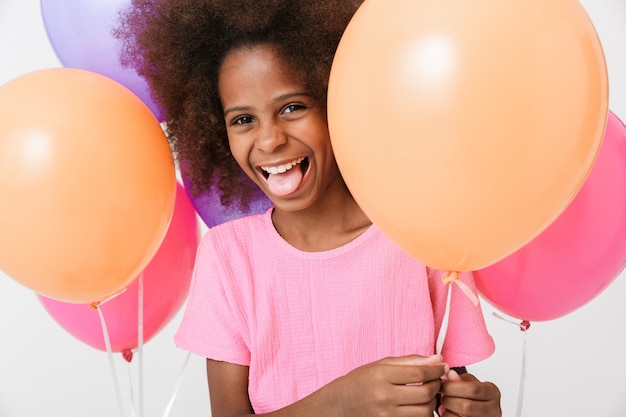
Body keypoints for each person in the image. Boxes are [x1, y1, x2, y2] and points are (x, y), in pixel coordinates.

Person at [117, 1, 502, 416]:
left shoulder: (420, 236)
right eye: (243, 119)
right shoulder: (229, 257)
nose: (269, 141)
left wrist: (478, 407)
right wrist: (340, 402)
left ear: (340, 100)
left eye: (292, 108)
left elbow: (455, 386)